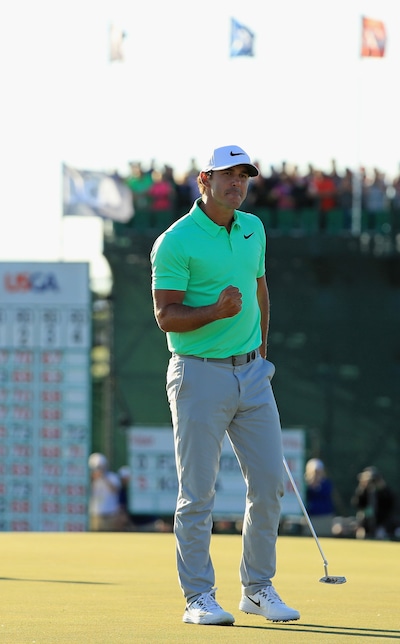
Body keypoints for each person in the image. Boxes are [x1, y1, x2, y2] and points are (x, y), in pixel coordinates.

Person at [150, 144, 300, 626]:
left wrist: (262, 349)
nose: (238, 184)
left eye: (244, 176)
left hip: (252, 372)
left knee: (271, 484)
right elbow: (165, 315)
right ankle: (197, 597)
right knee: (198, 494)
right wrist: (216, 311)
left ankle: (257, 588)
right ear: (204, 180)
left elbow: (260, 289)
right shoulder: (174, 241)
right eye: (228, 175)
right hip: (198, 371)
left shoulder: (254, 228)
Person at [351, 465, 396, 539]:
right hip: (365, 522)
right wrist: (362, 487)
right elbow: (357, 503)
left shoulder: (383, 492)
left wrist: (383, 488)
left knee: (380, 534)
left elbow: (391, 503)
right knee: (361, 535)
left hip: (381, 522)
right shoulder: (364, 491)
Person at [303, 458, 340, 537]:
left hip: (325, 516)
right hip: (311, 517)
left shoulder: (326, 484)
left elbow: (324, 494)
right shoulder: (305, 485)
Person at [88, 452, 122, 531]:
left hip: (110, 515)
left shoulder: (112, 477)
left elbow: (115, 491)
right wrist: (93, 479)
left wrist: (103, 477)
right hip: (95, 515)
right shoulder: (91, 479)